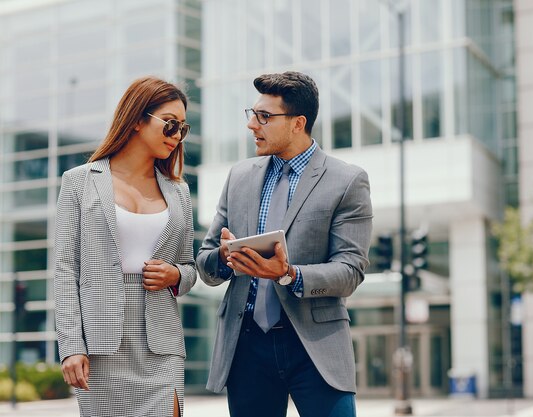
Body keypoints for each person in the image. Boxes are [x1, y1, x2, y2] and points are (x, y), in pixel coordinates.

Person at [196, 71, 373, 417]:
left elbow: (350, 270)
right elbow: (204, 261)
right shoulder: (240, 177)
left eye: (264, 117)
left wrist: (290, 274)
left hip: (314, 346)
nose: (252, 126)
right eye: (253, 115)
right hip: (246, 346)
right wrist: (223, 255)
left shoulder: (347, 180)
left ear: (298, 123)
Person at [54, 76, 196, 417]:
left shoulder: (179, 192)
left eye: (183, 128)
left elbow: (189, 268)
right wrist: (71, 346)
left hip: (161, 344)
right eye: (170, 124)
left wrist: (176, 274)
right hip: (101, 347)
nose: (177, 136)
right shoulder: (79, 181)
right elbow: (65, 269)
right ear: (136, 120)